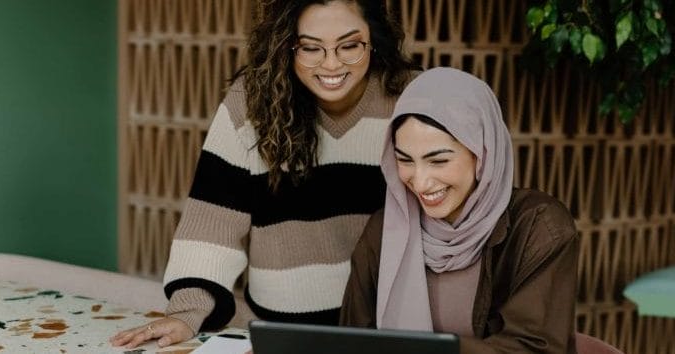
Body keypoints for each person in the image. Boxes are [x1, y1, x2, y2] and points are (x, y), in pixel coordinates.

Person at [111, 0, 418, 349]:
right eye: (310, 48)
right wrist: (187, 312)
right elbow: (212, 223)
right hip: (278, 331)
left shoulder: (410, 96)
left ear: (374, 40)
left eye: (349, 46)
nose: (331, 64)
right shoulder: (250, 102)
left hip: (387, 329)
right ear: (286, 44)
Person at [339, 67, 579, 353]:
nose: (421, 181)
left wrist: (423, 350)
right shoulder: (385, 230)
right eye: (405, 160)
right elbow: (352, 341)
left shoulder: (539, 227)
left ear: (482, 154)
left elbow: (534, 348)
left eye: (438, 161)